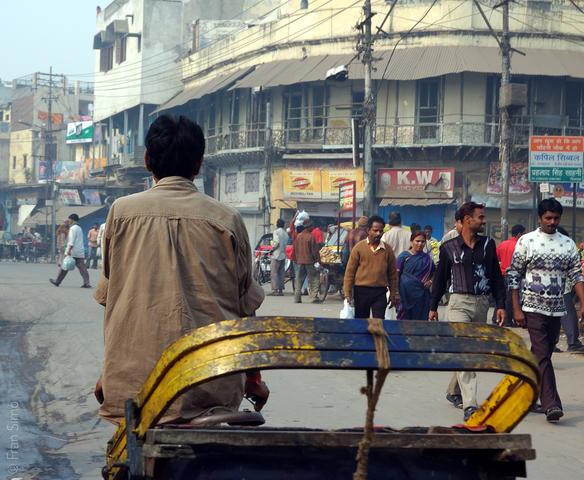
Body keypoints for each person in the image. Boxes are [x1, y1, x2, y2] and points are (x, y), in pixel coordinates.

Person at [93, 114, 267, 424]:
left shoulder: (120, 213)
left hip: (134, 387)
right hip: (210, 387)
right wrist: (253, 378)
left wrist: (108, 374)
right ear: (199, 163)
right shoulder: (227, 219)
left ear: (147, 160)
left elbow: (115, 301)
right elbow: (244, 309)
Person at [508, 199, 584, 423]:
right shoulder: (527, 241)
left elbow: (577, 276)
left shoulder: (567, 244)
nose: (552, 222)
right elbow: (514, 276)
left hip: (557, 308)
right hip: (532, 306)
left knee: (542, 354)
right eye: (548, 218)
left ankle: (524, 392)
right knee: (542, 354)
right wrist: (516, 308)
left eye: (556, 218)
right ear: (539, 218)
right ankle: (552, 404)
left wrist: (582, 303)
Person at [429, 202, 506, 422]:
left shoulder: (488, 244)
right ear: (465, 220)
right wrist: (433, 307)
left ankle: (454, 390)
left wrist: (500, 305)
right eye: (480, 217)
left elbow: (496, 277)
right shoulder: (448, 247)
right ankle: (470, 404)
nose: (484, 221)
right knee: (465, 351)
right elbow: (440, 279)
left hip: (482, 304)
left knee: (469, 351)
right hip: (458, 303)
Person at [343, 215, 399, 319]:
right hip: (361, 291)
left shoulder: (388, 250)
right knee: (361, 322)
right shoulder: (359, 248)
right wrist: (347, 292)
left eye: (381, 231)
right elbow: (350, 272)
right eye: (375, 230)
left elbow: (392, 274)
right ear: (368, 230)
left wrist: (393, 294)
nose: (378, 234)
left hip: (380, 291)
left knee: (378, 323)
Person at [555, 227, 584, 353]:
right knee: (569, 315)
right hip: (563, 288)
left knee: (553, 317)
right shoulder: (565, 249)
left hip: (547, 290)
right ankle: (573, 342)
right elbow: (575, 273)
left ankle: (551, 343)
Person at [396, 230, 435, 320]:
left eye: (422, 241)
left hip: (422, 297)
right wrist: (396, 293)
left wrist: (431, 281)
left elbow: (435, 272)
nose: (420, 244)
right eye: (417, 241)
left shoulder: (427, 258)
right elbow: (396, 275)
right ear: (411, 241)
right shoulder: (403, 256)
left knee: (420, 324)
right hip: (405, 295)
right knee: (404, 323)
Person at [493, 224, 525, 327]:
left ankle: (496, 318)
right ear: (519, 234)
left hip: (501, 275)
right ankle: (506, 320)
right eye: (523, 234)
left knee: (502, 298)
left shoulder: (503, 244)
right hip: (513, 276)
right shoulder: (520, 246)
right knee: (511, 299)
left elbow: (496, 258)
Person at [50, 214, 91, 288]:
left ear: (72, 220)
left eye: (69, 220)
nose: (68, 221)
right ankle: (87, 283)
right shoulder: (79, 228)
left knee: (64, 267)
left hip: (72, 251)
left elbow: (71, 242)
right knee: (82, 268)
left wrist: (68, 251)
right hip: (79, 251)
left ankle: (57, 281)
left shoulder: (72, 229)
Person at [292, 220, 321, 304]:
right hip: (310, 262)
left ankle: (297, 298)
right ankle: (314, 297)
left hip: (299, 261)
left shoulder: (298, 236)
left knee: (299, 280)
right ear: (309, 227)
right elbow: (315, 251)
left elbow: (295, 250)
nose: (313, 228)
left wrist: (296, 259)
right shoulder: (311, 237)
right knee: (314, 278)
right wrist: (318, 260)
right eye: (312, 226)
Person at [269, 218, 289, 296]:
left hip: (276, 255)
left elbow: (276, 243)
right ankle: (280, 290)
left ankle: (275, 290)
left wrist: (271, 245)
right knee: (281, 273)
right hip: (283, 255)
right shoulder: (285, 233)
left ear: (277, 224)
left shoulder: (276, 232)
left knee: (274, 273)